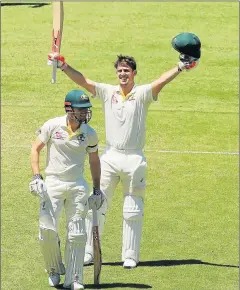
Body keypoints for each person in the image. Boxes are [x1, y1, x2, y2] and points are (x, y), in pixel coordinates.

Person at [47, 34, 200, 269]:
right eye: (120, 71)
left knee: (133, 209)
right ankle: (89, 252)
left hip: (134, 158)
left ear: (134, 73)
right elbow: (84, 81)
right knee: (97, 205)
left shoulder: (143, 95)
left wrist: (180, 66)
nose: (122, 74)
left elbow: (161, 81)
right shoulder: (108, 92)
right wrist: (63, 65)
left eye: (126, 70)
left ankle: (130, 255)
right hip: (110, 156)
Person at [29, 89, 104, 290]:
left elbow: (94, 161)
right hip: (52, 183)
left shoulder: (90, 133)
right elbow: (35, 148)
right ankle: (54, 270)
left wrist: (97, 189)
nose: (85, 113)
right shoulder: (53, 125)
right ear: (69, 109)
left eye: (86, 109)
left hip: (77, 185)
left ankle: (75, 277)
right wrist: (37, 176)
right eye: (81, 109)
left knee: (77, 234)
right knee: (47, 231)